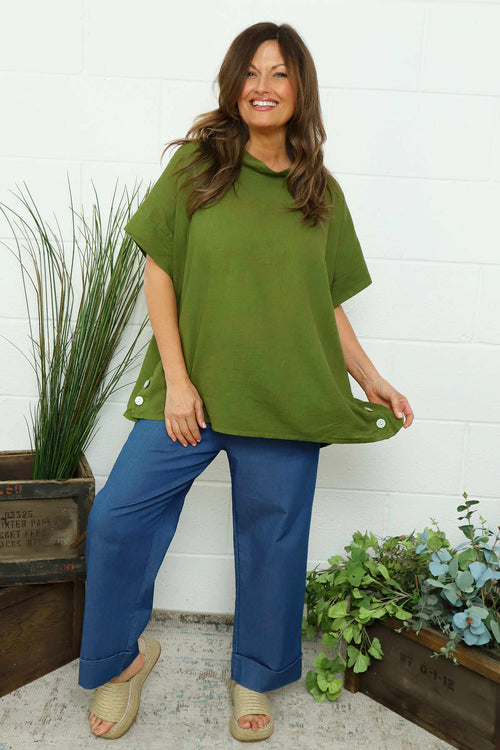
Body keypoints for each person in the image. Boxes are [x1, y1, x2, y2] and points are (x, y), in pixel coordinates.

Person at [78, 21, 414, 742]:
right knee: (117, 519)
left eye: (280, 73)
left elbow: (325, 304)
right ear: (235, 86)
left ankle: (254, 674)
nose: (264, 87)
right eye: (252, 73)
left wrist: (371, 378)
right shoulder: (198, 168)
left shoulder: (320, 191)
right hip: (191, 395)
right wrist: (177, 381)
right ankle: (120, 661)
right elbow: (159, 271)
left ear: (300, 90)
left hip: (285, 396)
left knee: (274, 542)